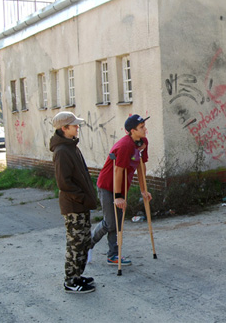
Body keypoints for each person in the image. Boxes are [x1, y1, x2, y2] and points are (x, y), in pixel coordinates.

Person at [91, 114, 152, 265]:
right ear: (132, 131)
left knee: (117, 222)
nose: (145, 129)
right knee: (111, 223)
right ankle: (88, 243)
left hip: (122, 186)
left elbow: (140, 165)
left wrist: (143, 190)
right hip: (107, 186)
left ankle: (113, 255)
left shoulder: (142, 142)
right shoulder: (125, 146)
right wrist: (118, 196)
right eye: (141, 127)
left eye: (144, 126)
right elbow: (118, 170)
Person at [50, 111, 98, 293]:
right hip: (73, 206)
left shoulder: (71, 147)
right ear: (64, 128)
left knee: (83, 241)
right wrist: (83, 197)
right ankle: (70, 281)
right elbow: (64, 183)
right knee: (75, 243)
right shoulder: (62, 151)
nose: (77, 127)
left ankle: (77, 275)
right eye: (74, 125)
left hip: (81, 204)